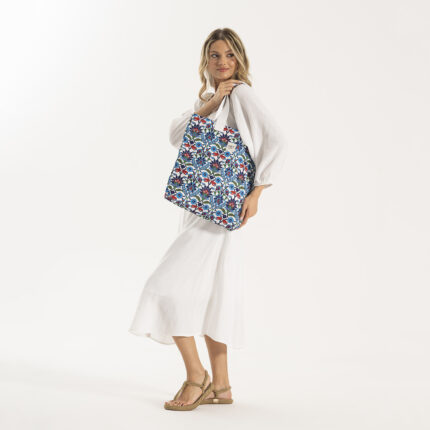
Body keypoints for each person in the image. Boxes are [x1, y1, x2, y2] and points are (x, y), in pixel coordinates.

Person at [128, 28, 287, 411]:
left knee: (162, 287)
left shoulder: (242, 94)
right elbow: (176, 136)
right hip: (199, 208)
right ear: (206, 60)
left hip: (218, 214)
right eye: (214, 55)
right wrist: (212, 101)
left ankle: (196, 377)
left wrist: (257, 193)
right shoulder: (211, 97)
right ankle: (222, 386)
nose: (222, 62)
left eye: (229, 55)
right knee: (214, 294)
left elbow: (277, 139)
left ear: (239, 58)